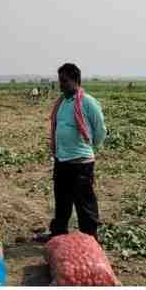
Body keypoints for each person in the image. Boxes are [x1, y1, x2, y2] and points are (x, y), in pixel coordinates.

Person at [37, 63, 106, 242]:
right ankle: (58, 233)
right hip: (62, 161)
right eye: (60, 81)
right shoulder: (62, 102)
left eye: (64, 81)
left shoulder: (87, 102)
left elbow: (100, 130)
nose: (61, 85)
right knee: (62, 201)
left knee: (85, 204)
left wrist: (88, 147)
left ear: (75, 81)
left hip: (81, 163)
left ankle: (90, 239)